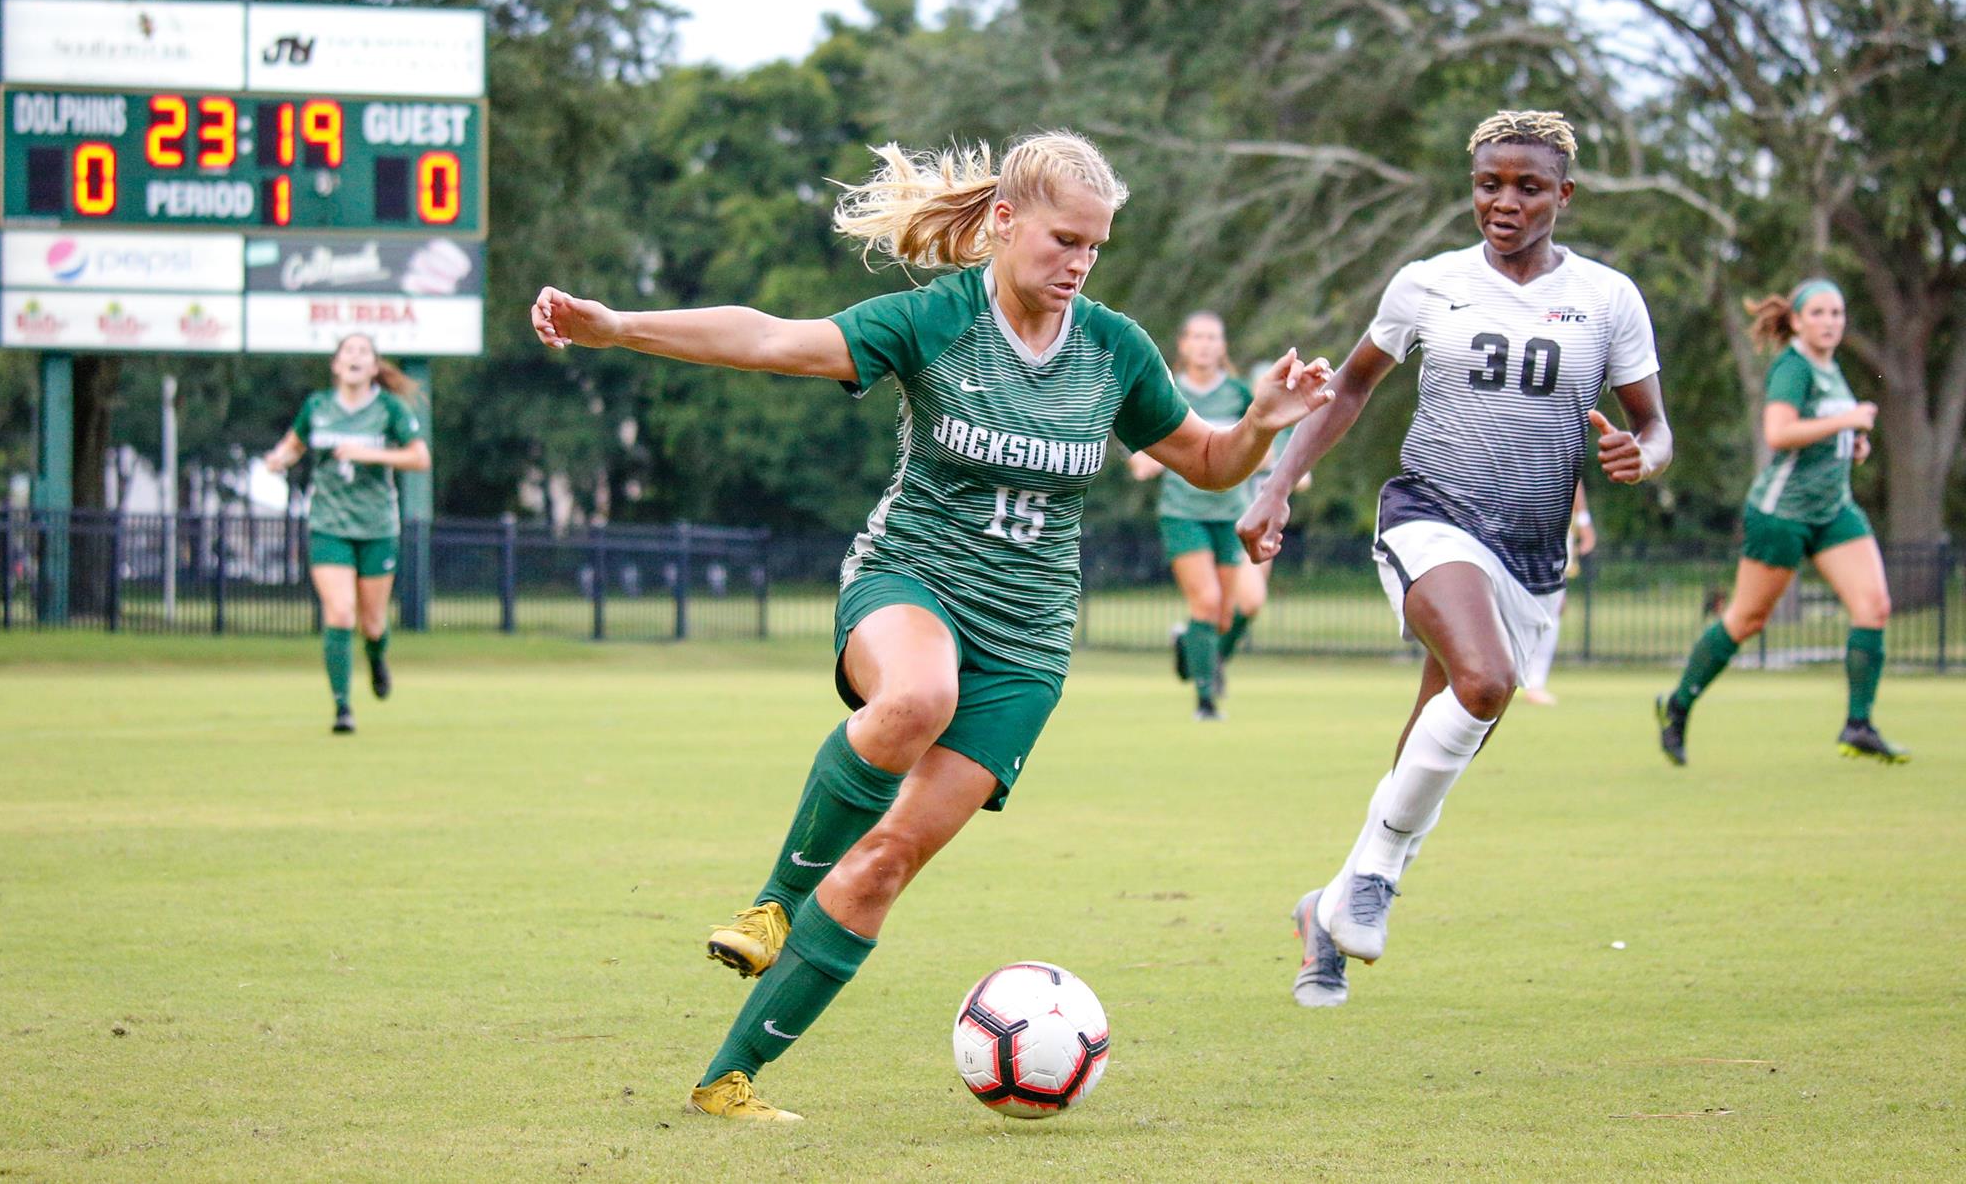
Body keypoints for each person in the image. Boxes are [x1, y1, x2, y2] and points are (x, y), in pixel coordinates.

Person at [531, 131, 1334, 1121]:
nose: (1077, 264)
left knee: (884, 862)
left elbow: (1208, 464)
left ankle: (726, 1080)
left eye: (1093, 248)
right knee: (916, 695)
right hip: (909, 580)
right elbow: (772, 338)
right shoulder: (934, 320)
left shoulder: (1113, 349)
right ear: (1003, 221)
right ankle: (771, 905)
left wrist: (1258, 424)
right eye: (1061, 240)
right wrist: (616, 327)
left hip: (1028, 647)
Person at [1237, 110, 1671, 1010]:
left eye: (1527, 187)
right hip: (1428, 516)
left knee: (1444, 716)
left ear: (1565, 195)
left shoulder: (1608, 298)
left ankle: (1331, 904)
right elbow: (1353, 381)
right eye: (1488, 184)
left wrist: (1644, 452)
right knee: (1483, 682)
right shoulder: (1428, 284)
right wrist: (1279, 483)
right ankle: (1377, 878)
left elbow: (1655, 425)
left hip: (1531, 554)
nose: (1504, 202)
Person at [1657, 278, 1903, 765]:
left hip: (1833, 511)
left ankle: (1858, 724)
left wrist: (1852, 443)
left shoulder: (1830, 369)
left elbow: (1827, 429)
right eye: (1818, 313)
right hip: (1781, 514)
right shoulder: (1792, 366)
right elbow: (1780, 432)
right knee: (1746, 620)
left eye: (1837, 313)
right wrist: (1846, 422)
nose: (1830, 322)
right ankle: (1679, 705)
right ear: (1795, 321)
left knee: (1874, 606)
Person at [263, 333, 430, 734]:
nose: (355, 358)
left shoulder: (388, 408)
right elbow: (293, 445)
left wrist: (368, 453)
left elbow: (419, 458)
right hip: (329, 525)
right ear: (336, 364)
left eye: (364, 353)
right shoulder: (317, 407)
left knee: (372, 623)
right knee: (339, 613)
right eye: (348, 352)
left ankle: (376, 657)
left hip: (376, 527)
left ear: (374, 367)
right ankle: (342, 708)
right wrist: (278, 459)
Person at [1126, 311, 1256, 719]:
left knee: (1223, 615)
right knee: (1207, 602)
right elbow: (1139, 448)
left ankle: (1191, 649)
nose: (1204, 344)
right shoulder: (1167, 390)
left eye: (1212, 337)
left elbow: (1264, 437)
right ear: (1183, 345)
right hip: (1183, 513)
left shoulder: (1238, 394)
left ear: (1222, 346)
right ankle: (1205, 700)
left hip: (1230, 513)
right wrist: (1149, 459)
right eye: (1196, 337)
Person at [1517, 479, 1595, 706]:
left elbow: (1574, 473)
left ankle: (1534, 682)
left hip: (1554, 523)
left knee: (1554, 603)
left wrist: (1583, 520)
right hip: (1518, 517)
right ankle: (1518, 676)